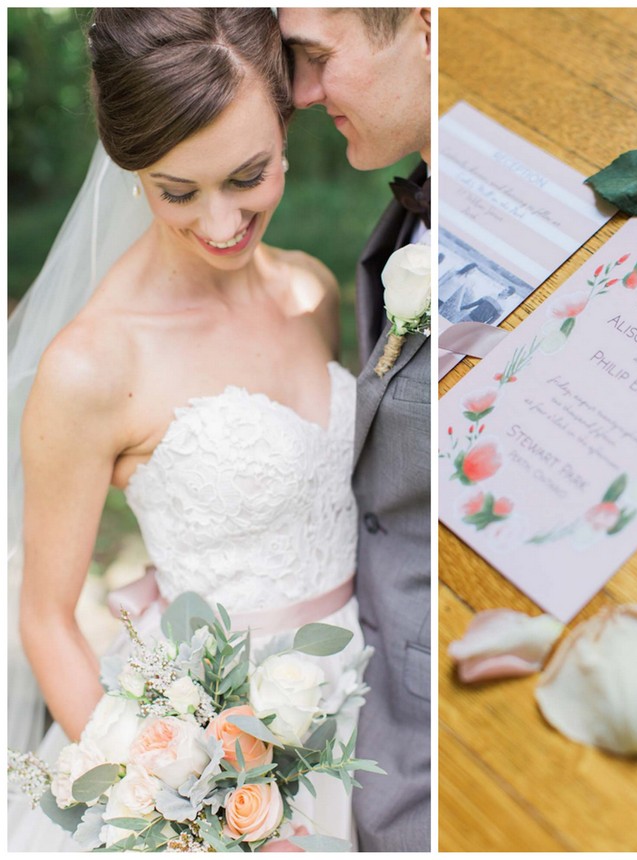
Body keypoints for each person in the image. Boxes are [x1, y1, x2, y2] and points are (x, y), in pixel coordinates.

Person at [9, 10, 369, 849]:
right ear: (133, 169)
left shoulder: (313, 292)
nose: (219, 224)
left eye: (248, 178)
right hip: (215, 756)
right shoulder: (93, 366)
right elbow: (47, 618)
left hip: (368, 707)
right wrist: (163, 800)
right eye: (178, 191)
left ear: (286, 123)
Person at [278, 8, 431, 851]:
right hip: (341, 701)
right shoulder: (410, 211)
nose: (300, 93)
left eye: (316, 58)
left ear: (428, 27)